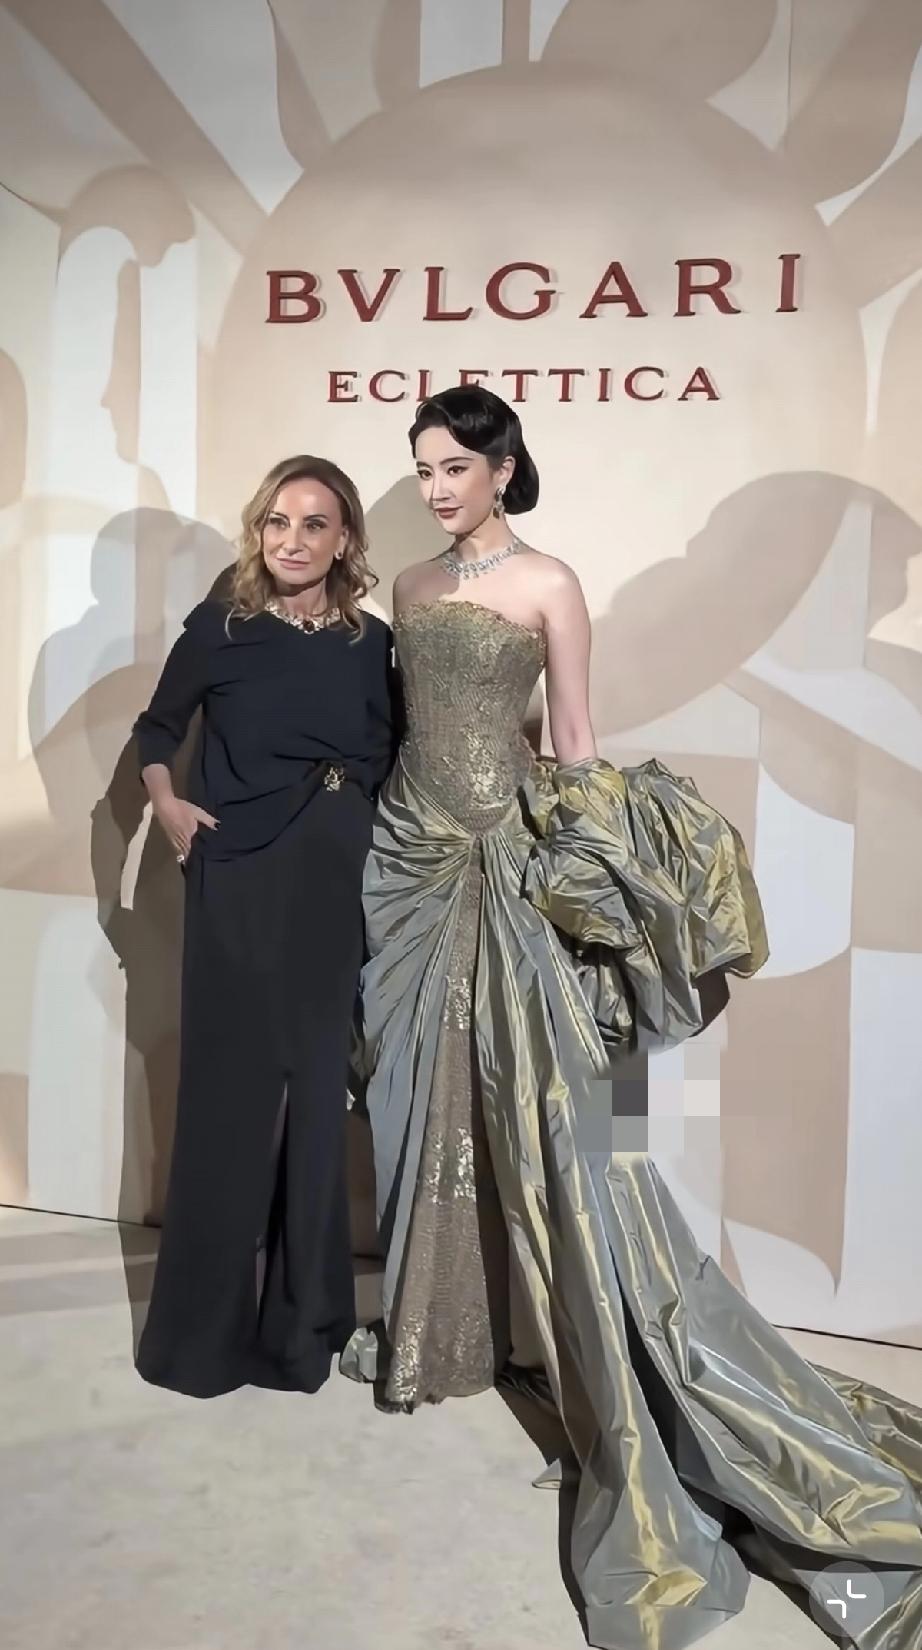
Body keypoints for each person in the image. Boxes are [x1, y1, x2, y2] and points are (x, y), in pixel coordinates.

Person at [341, 387, 922, 1650]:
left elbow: (571, 736)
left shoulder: (550, 581)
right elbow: (410, 730)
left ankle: (618, 1353)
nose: (434, 489)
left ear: (502, 468)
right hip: (409, 856)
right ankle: (440, 1330)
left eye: (453, 468)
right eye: (422, 469)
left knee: (567, 1123)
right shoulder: (409, 585)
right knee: (419, 1095)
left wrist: (588, 868)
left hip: (506, 860)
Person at [133, 455, 397, 1399]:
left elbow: (397, 755)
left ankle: (300, 1328)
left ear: (344, 538)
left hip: (335, 878)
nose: (292, 540)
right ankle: (204, 1337)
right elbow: (156, 731)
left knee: (316, 1095)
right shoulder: (221, 627)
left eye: (314, 524)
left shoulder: (372, 642)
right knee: (234, 1095)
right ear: (260, 531)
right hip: (240, 873)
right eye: (277, 522)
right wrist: (167, 803)